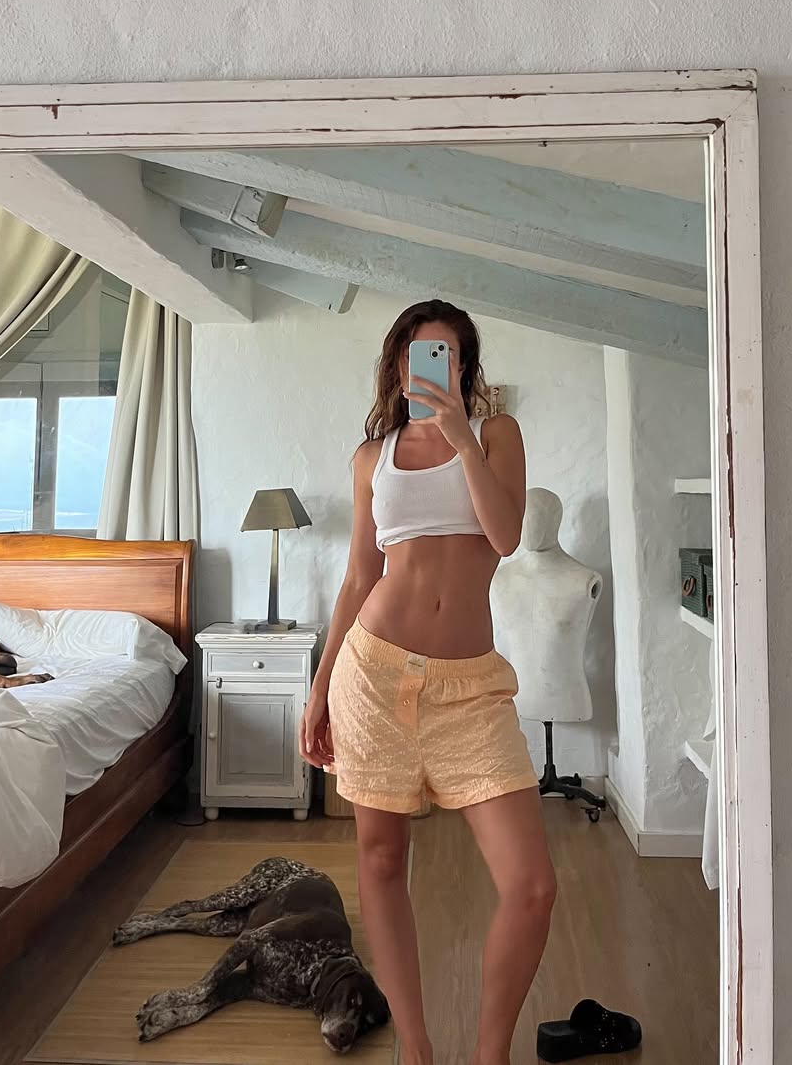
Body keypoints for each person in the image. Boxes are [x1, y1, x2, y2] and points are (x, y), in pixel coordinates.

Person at [299, 300, 557, 1065]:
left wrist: (460, 438)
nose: (433, 368)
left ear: (465, 367)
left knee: (532, 885)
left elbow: (504, 537)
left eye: (448, 355)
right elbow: (358, 578)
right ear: (398, 364)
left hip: (470, 691)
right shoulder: (370, 457)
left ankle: (489, 1055)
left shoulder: (495, 435)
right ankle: (416, 1050)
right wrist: (319, 689)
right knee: (381, 862)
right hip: (373, 675)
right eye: (419, 354)